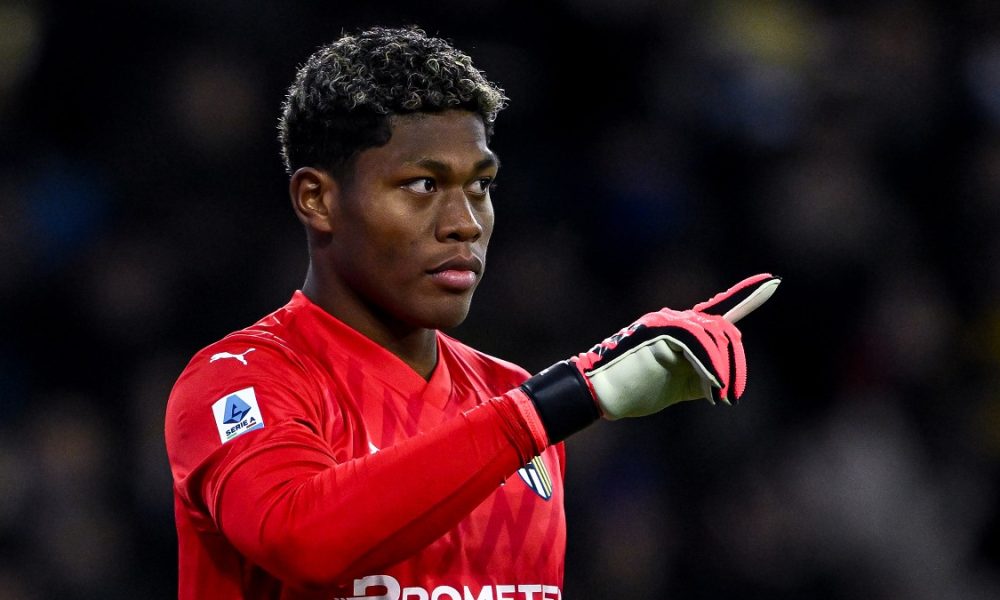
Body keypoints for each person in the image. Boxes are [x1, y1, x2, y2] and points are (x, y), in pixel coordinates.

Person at [164, 26, 779, 600]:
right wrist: (553, 405)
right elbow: (300, 539)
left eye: (480, 186)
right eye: (423, 185)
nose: (464, 223)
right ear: (317, 198)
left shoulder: (510, 395)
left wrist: (541, 409)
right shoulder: (241, 379)